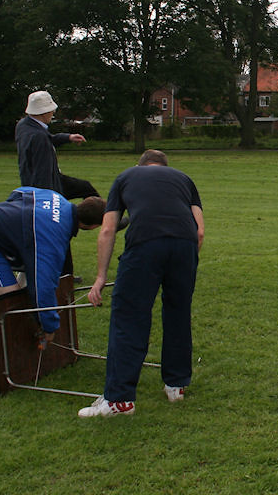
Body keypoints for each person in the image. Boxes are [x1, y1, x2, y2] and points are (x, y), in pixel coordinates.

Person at [79, 149, 204, 418]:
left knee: (129, 317)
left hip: (145, 246)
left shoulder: (126, 177)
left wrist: (100, 277)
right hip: (185, 247)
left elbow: (108, 229)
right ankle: (176, 384)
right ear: (165, 167)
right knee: (178, 313)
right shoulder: (184, 179)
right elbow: (200, 230)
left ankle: (119, 400)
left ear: (141, 165)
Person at [0, 187, 105, 382]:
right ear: (92, 226)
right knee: (12, 308)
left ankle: (20, 357)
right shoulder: (53, 237)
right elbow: (44, 287)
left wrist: (14, 222)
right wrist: (50, 326)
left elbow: (18, 193)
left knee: (24, 295)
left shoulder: (57, 198)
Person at [15, 90, 98, 200]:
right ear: (43, 112)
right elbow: (43, 172)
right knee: (85, 190)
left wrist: (68, 137)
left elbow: (48, 139)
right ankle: (100, 215)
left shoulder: (25, 126)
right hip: (47, 184)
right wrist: (50, 200)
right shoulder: (38, 136)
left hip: (30, 181)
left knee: (85, 187)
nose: (53, 112)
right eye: (51, 110)